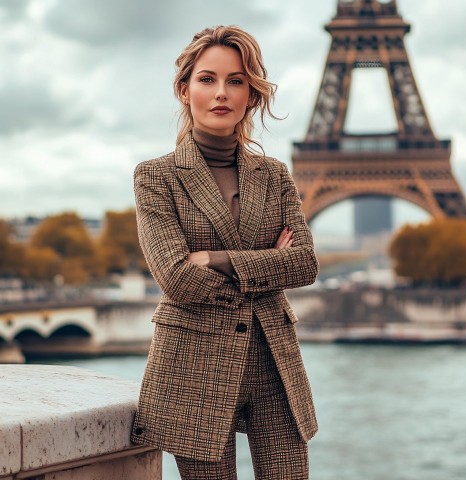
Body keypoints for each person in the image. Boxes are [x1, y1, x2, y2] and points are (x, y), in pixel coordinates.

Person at [130, 25, 319, 480]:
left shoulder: (274, 174)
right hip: (194, 366)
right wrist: (268, 267)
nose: (222, 93)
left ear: (251, 95)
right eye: (207, 79)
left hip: (275, 365)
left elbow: (306, 262)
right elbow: (176, 277)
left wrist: (214, 258)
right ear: (184, 89)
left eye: (236, 81)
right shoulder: (156, 177)